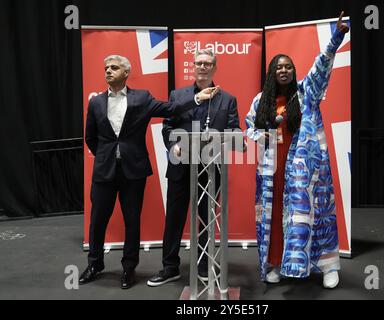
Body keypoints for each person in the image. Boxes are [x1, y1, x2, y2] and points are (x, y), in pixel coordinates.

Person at [80, 55, 218, 289]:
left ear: (126, 73)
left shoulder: (141, 98)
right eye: (106, 68)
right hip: (104, 171)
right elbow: (90, 138)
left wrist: (196, 98)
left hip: (133, 172)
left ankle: (128, 268)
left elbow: (170, 108)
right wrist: (107, 156)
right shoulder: (95, 103)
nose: (108, 71)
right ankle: (95, 263)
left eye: (114, 68)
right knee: (97, 220)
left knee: (132, 221)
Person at [245, 12, 350, 288]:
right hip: (272, 169)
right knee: (276, 217)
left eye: (288, 67)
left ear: (293, 71)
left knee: (315, 214)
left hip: (306, 170)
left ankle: (326, 266)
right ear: (271, 72)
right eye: (279, 67)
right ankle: (277, 264)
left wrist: (335, 38)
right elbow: (249, 130)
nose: (284, 70)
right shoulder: (260, 102)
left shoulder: (306, 93)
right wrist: (266, 131)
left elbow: (321, 68)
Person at [147, 49, 240, 286]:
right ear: (193, 66)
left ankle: (203, 264)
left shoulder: (228, 99)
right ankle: (170, 267)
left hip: (212, 170)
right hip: (181, 167)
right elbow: (167, 127)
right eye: (199, 63)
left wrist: (238, 137)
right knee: (175, 219)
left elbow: (233, 128)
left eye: (208, 63)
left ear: (214, 68)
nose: (203, 67)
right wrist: (174, 145)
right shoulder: (178, 96)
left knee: (206, 220)